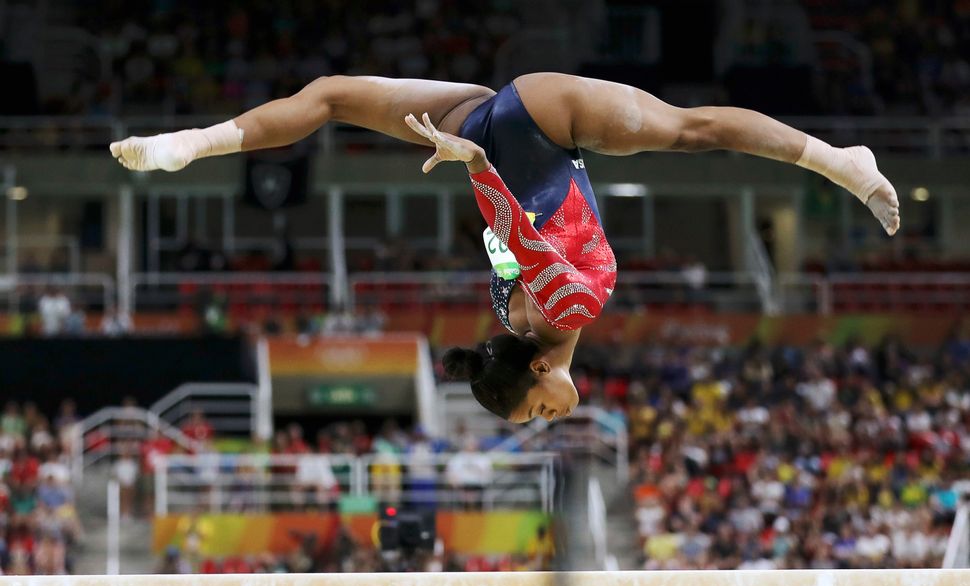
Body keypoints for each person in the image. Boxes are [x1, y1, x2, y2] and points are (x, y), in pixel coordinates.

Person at [109, 73, 900, 422]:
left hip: (534, 128)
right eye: (539, 421)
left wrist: (480, 166)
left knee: (694, 129)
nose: (552, 418)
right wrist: (476, 164)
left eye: (536, 416)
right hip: (482, 130)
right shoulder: (516, 312)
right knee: (330, 98)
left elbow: (521, 233)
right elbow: (512, 242)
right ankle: (188, 142)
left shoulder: (564, 310)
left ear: (540, 371)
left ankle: (840, 161)